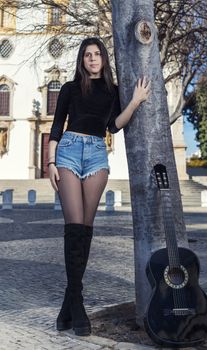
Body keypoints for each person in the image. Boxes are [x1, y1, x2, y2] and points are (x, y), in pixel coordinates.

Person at [48, 37, 150, 337]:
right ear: (81, 60)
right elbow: (56, 126)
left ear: (104, 59)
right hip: (67, 151)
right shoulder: (69, 88)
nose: (92, 59)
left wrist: (135, 100)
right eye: (87, 55)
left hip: (96, 155)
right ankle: (78, 305)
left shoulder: (112, 91)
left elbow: (115, 126)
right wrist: (51, 163)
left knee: (86, 228)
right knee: (74, 225)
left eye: (97, 54)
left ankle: (69, 305)